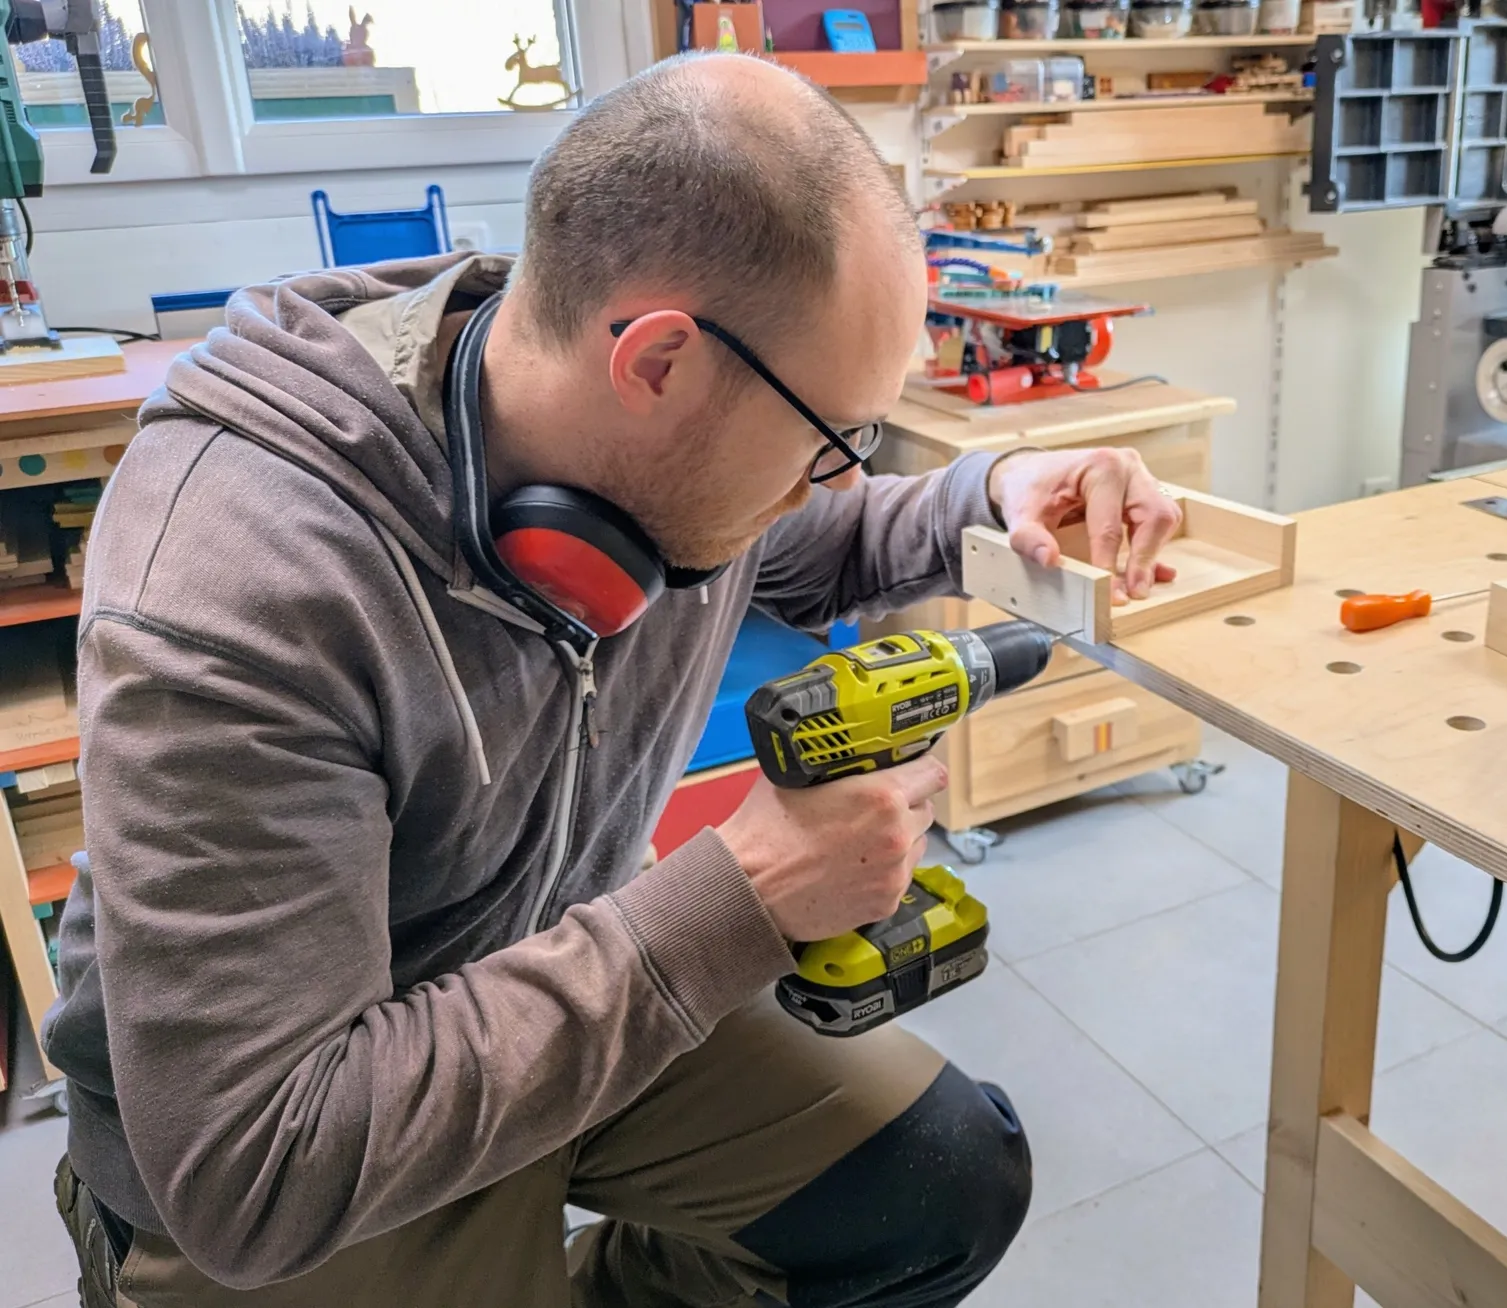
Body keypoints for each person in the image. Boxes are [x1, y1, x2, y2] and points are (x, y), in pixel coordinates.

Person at [47, 52, 1183, 1308]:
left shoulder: (646, 447)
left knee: (939, 1186)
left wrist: (998, 490)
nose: (842, 480)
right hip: (311, 1141)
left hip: (555, 981)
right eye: (832, 441)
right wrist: (740, 899)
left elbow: (820, 541)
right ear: (656, 363)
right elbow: (256, 1171)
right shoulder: (242, 580)